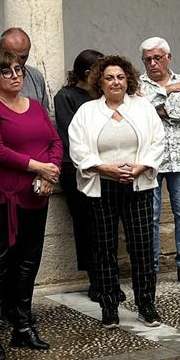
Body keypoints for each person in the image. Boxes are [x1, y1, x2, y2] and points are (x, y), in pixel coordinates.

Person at [0, 50, 63, 360]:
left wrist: (50, 171)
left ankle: (23, 327)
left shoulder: (35, 107)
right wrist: (38, 166)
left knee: (27, 262)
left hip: (34, 195)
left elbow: (55, 142)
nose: (15, 75)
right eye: (7, 71)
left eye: (19, 69)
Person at [67, 56, 166, 329]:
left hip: (138, 183)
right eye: (109, 77)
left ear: (128, 80)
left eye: (120, 77)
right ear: (100, 81)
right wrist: (104, 168)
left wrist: (141, 166)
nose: (115, 82)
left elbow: (158, 140)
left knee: (142, 246)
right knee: (104, 247)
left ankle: (147, 304)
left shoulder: (143, 106)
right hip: (101, 185)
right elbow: (77, 147)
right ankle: (109, 305)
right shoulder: (87, 111)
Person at [138, 37, 180, 287]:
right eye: (148, 59)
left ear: (168, 57)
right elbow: (141, 110)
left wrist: (166, 112)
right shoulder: (138, 85)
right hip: (150, 162)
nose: (153, 63)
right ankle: (151, 268)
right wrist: (168, 91)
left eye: (158, 58)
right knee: (150, 217)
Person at [53, 48, 108, 302]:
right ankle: (95, 280)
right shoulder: (65, 96)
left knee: (104, 226)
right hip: (76, 169)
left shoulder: (103, 96)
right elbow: (70, 134)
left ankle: (108, 278)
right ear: (88, 72)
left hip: (106, 168)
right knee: (86, 226)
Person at [0, 28, 50, 170]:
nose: (15, 62)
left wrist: (48, 165)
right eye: (10, 55)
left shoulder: (35, 77)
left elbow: (48, 125)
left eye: (23, 57)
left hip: (37, 164)